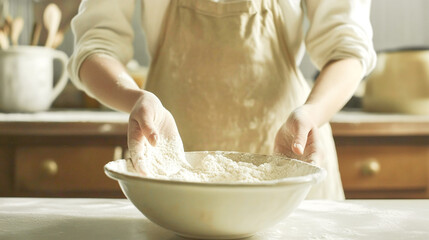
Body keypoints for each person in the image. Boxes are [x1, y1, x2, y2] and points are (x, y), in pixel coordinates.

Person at [68, 0, 376, 200]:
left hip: (293, 160)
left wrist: (313, 113)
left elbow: (347, 48)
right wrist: (134, 98)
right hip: (171, 176)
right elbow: (96, 42)